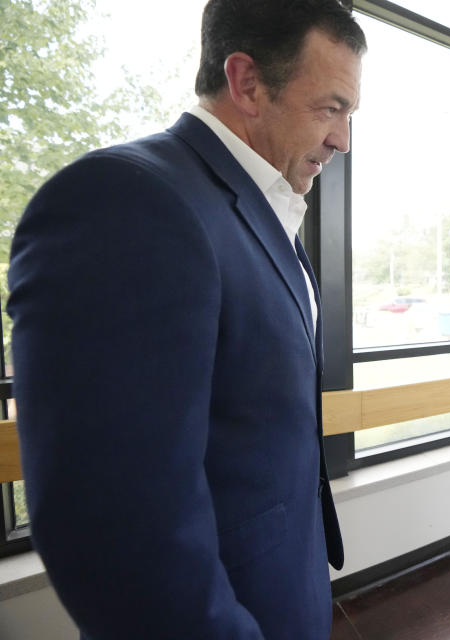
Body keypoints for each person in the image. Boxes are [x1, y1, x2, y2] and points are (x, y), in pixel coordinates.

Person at [7, 1, 364, 638]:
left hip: (284, 591)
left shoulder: (257, 210)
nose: (342, 139)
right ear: (247, 82)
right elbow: (117, 532)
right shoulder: (126, 202)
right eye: (330, 108)